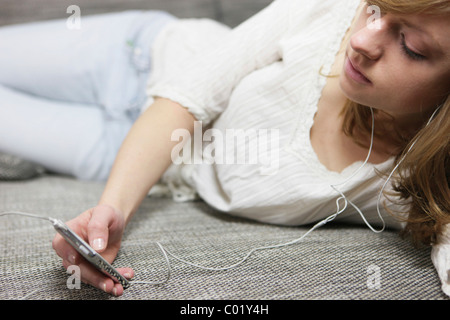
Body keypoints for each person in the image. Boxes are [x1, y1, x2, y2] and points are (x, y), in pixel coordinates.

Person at [0, 0, 448, 297]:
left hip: (121, 151)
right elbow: (185, 98)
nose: (363, 39)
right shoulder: (327, 9)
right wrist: (111, 209)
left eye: (409, 46)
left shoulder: (422, 186)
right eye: (375, 8)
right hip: (137, 60)